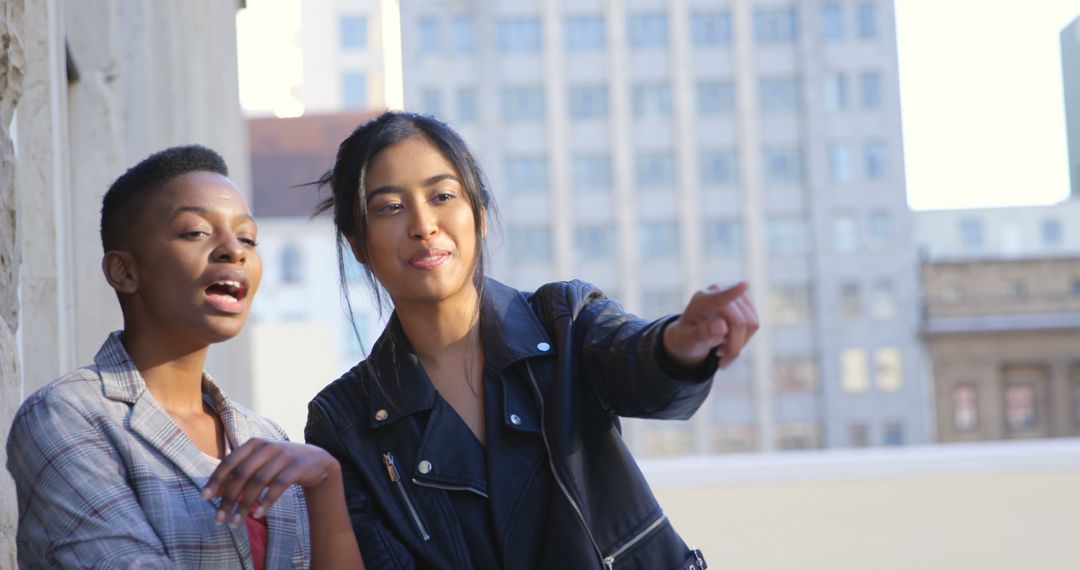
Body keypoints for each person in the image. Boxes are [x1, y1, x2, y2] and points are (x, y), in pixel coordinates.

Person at [304, 112, 760, 569]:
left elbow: (639, 361)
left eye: (442, 195)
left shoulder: (564, 320)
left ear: (479, 217)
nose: (423, 225)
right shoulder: (343, 422)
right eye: (390, 207)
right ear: (358, 244)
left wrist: (682, 342)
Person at [6, 145, 362, 569]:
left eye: (247, 237)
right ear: (124, 271)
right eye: (195, 232)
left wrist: (325, 481)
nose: (235, 251)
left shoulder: (266, 437)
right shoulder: (65, 417)